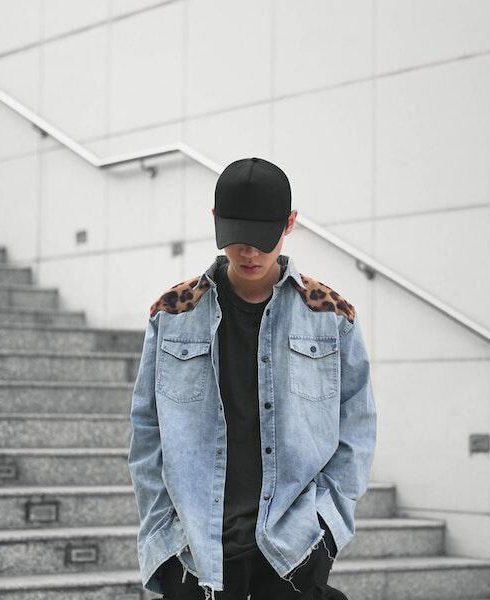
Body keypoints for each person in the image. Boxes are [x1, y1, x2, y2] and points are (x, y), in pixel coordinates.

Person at [128, 157, 377, 599]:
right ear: (216, 223)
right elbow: (147, 435)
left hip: (292, 547)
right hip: (194, 550)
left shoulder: (331, 316)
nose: (248, 252)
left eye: (262, 238)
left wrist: (327, 531)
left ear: (290, 224)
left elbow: (356, 431)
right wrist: (161, 539)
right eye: (236, 236)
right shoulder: (172, 313)